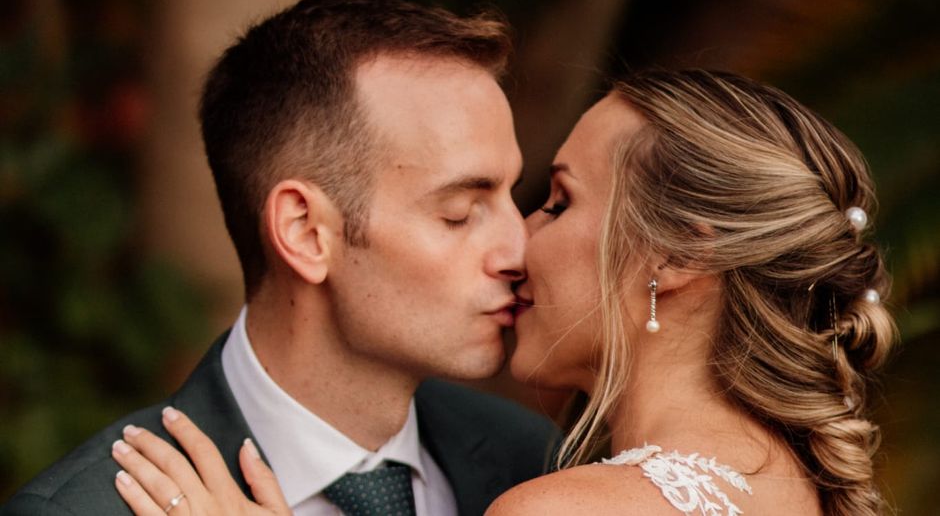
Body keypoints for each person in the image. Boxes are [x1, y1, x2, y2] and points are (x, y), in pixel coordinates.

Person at [107, 69, 897, 516]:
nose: (519, 242)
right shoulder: (800, 486)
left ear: (680, 253)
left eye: (557, 202)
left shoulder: (560, 510)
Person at [0, 0, 558, 516]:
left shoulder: (536, 467)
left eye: (512, 196)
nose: (519, 249)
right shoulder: (84, 508)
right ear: (306, 231)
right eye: (459, 211)